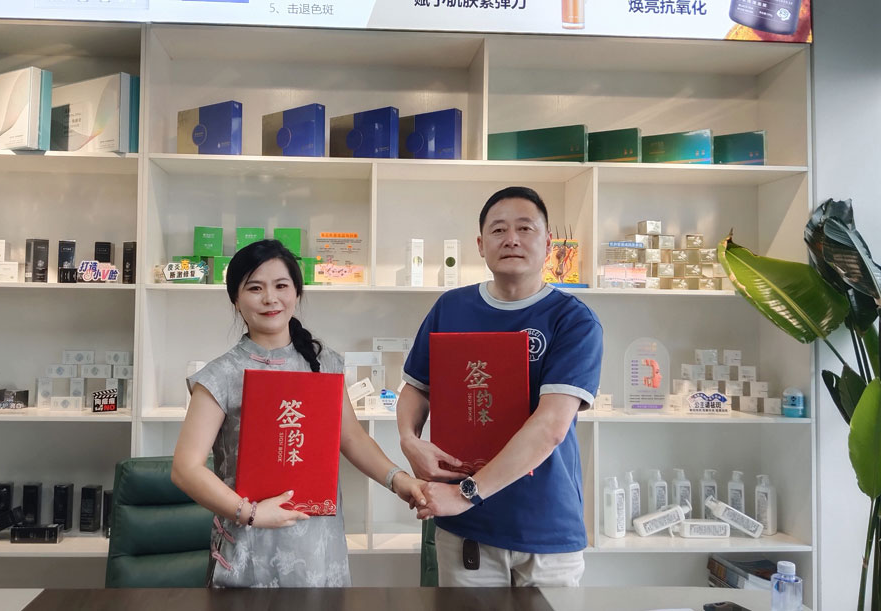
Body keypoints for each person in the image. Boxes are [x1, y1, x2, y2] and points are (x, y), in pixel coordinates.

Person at [172, 239, 426, 587]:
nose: (270, 298)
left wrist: (398, 480)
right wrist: (251, 513)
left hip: (317, 546)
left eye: (281, 286)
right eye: (255, 288)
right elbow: (185, 469)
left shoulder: (324, 363)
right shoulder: (221, 376)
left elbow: (352, 438)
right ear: (235, 299)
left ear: (297, 292)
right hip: (250, 545)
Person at [397, 186, 603, 587]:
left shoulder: (573, 320)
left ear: (549, 244)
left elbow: (551, 426)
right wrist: (408, 439)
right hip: (468, 529)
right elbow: (416, 389)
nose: (511, 239)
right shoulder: (451, 308)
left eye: (525, 228)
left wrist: (466, 493)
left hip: (545, 526)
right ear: (480, 245)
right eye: (498, 230)